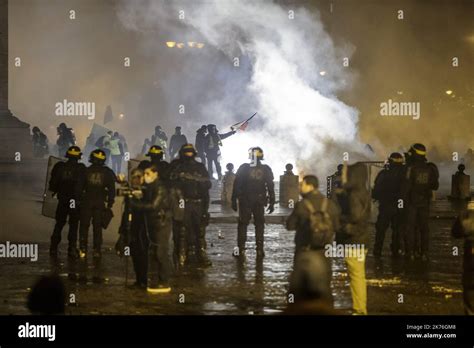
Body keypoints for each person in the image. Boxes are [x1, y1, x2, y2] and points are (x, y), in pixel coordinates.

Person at [286, 175, 340, 308]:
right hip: (325, 250)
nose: (299, 187)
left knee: (300, 283)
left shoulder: (302, 205)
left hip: (305, 250)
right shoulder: (330, 204)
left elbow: (290, 226)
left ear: (310, 186)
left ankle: (300, 308)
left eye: (302, 185)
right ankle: (326, 307)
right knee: (325, 281)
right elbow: (337, 226)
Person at [333, 163, 371, 315]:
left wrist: (340, 221)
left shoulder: (354, 194)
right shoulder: (363, 191)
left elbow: (354, 216)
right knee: (357, 275)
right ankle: (359, 307)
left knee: (356, 276)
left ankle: (360, 309)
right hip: (361, 239)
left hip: (354, 240)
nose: (343, 176)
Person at [131, 165, 173, 293]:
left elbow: (153, 205)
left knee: (161, 252)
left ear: (156, 174)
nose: (145, 176)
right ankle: (157, 280)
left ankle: (164, 282)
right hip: (155, 223)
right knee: (156, 252)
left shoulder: (160, 187)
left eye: (148, 174)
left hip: (162, 223)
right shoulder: (151, 187)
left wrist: (135, 204)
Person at [169, 144, 212, 267]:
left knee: (200, 230)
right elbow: (171, 184)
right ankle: (181, 255)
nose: (188, 155)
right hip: (184, 202)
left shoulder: (200, 167)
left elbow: (207, 185)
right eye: (186, 152)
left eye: (190, 152)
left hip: (198, 202)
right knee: (182, 230)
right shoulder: (177, 167)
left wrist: (194, 179)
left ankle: (201, 255)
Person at [231, 147, 275, 258]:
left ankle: (241, 249)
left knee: (243, 224)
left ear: (250, 156)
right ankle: (259, 250)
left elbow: (237, 185)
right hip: (259, 200)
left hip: (245, 200)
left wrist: (233, 199)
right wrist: (272, 202)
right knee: (259, 224)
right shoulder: (266, 169)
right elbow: (270, 186)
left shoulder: (244, 168)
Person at [76, 149, 116, 259]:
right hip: (99, 202)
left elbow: (78, 188)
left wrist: (78, 201)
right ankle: (97, 249)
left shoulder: (85, 171)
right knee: (97, 227)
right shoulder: (107, 172)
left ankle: (82, 249)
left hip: (86, 202)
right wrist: (110, 203)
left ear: (92, 158)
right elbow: (112, 189)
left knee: (84, 226)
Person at [402, 143, 439, 261]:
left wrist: (401, 202)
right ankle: (424, 253)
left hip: (411, 202)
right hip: (425, 202)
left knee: (410, 228)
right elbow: (435, 186)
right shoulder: (430, 168)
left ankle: (411, 252)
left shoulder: (410, 168)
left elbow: (405, 187)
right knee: (424, 228)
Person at [48, 146, 86, 258]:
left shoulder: (60, 167)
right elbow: (85, 185)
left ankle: (53, 248)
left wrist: (55, 191)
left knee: (59, 223)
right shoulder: (81, 168)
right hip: (74, 200)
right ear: (79, 157)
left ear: (67, 156)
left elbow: (53, 183)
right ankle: (72, 249)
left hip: (63, 199)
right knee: (73, 224)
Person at [116, 168, 148, 288]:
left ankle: (143, 280)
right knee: (134, 254)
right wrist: (123, 230)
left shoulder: (146, 191)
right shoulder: (130, 191)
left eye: (138, 177)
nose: (136, 180)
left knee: (142, 255)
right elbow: (126, 211)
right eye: (134, 177)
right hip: (131, 226)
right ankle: (139, 280)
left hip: (142, 228)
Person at [372, 152, 405, 257]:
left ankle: (378, 250)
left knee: (381, 229)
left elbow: (376, 190)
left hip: (386, 205)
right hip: (400, 206)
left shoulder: (384, 173)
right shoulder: (406, 173)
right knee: (397, 229)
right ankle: (396, 250)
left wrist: (377, 197)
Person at [451, 200, 474, 315]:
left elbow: (456, 232)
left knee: (470, 300)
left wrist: (468, 213)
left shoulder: (469, 216)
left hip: (471, 265)